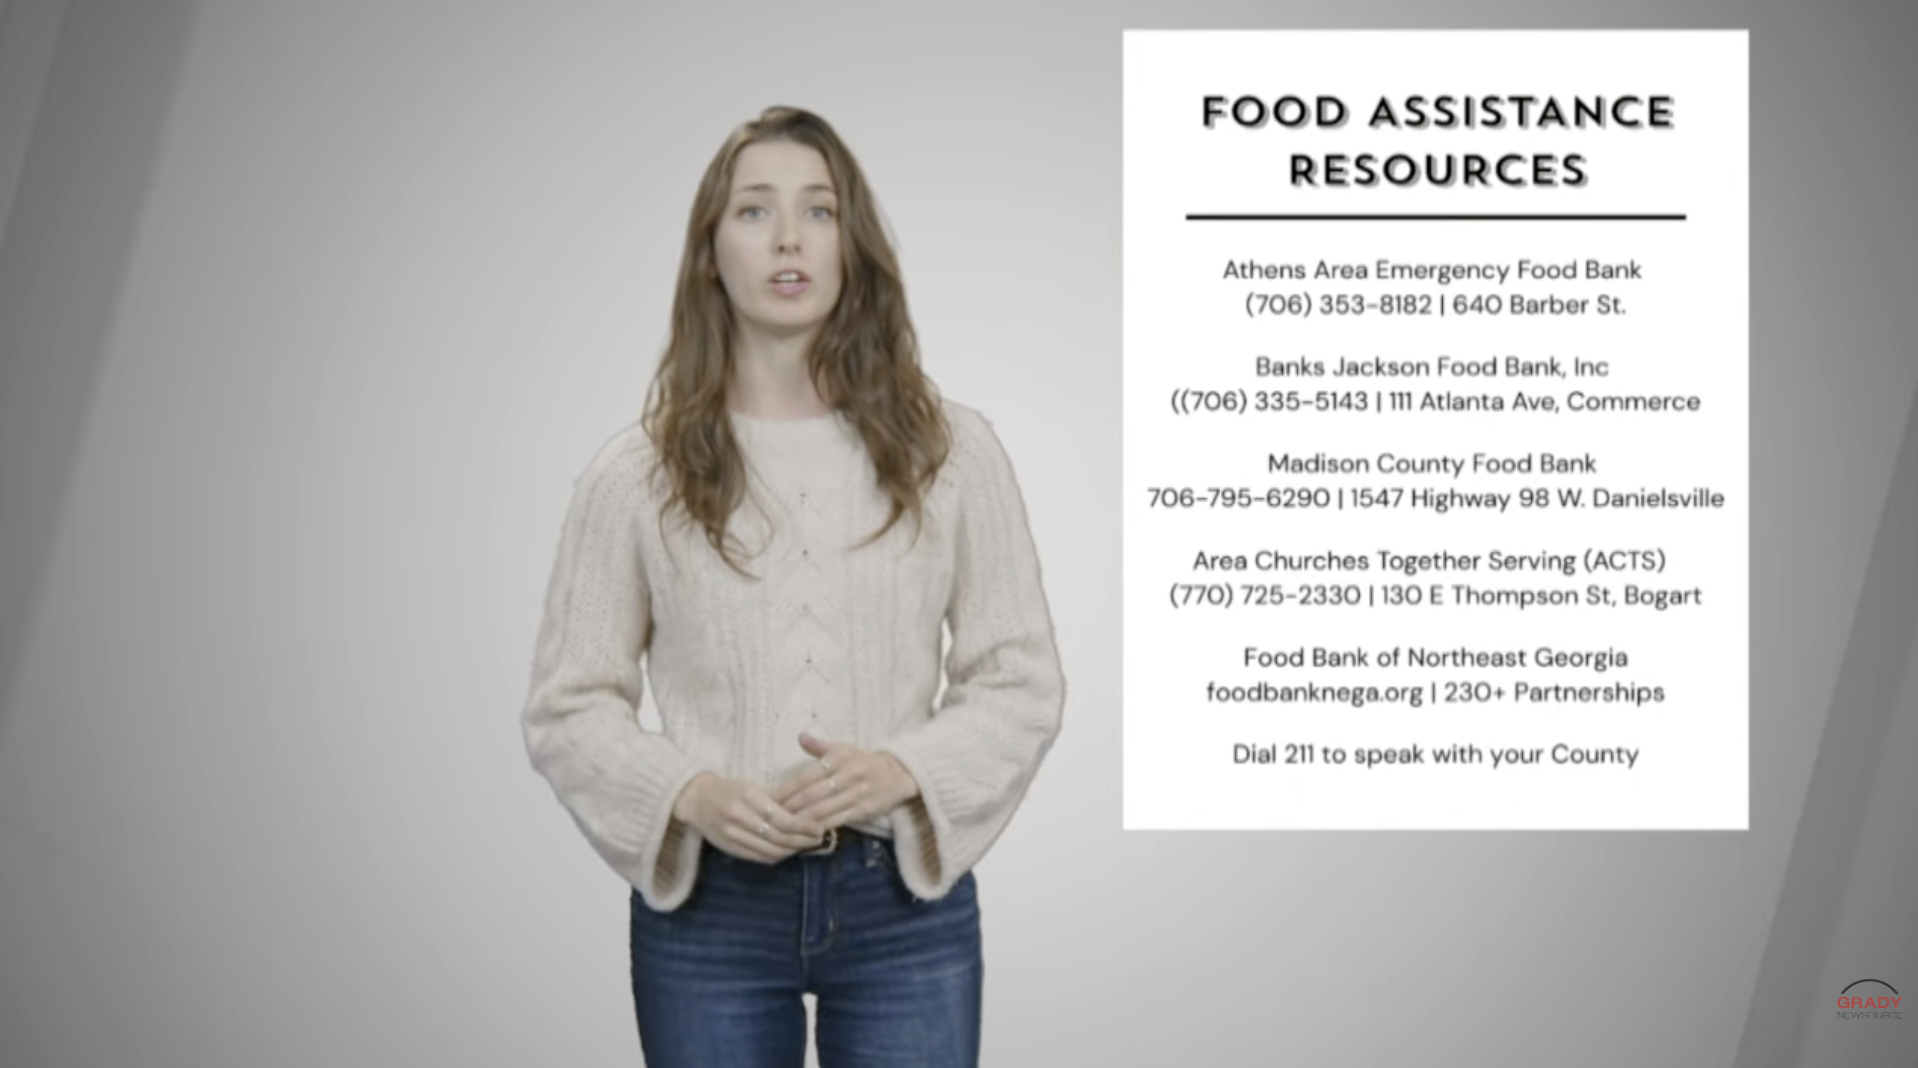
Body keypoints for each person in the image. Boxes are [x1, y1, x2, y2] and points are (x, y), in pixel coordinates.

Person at [520, 105, 1066, 1067]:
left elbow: (1021, 678)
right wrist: (691, 793)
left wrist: (904, 771)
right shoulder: (635, 475)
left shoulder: (953, 452)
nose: (787, 238)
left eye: (818, 211)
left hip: (903, 900)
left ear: (851, 245)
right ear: (709, 252)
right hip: (711, 913)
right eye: (753, 211)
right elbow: (568, 707)